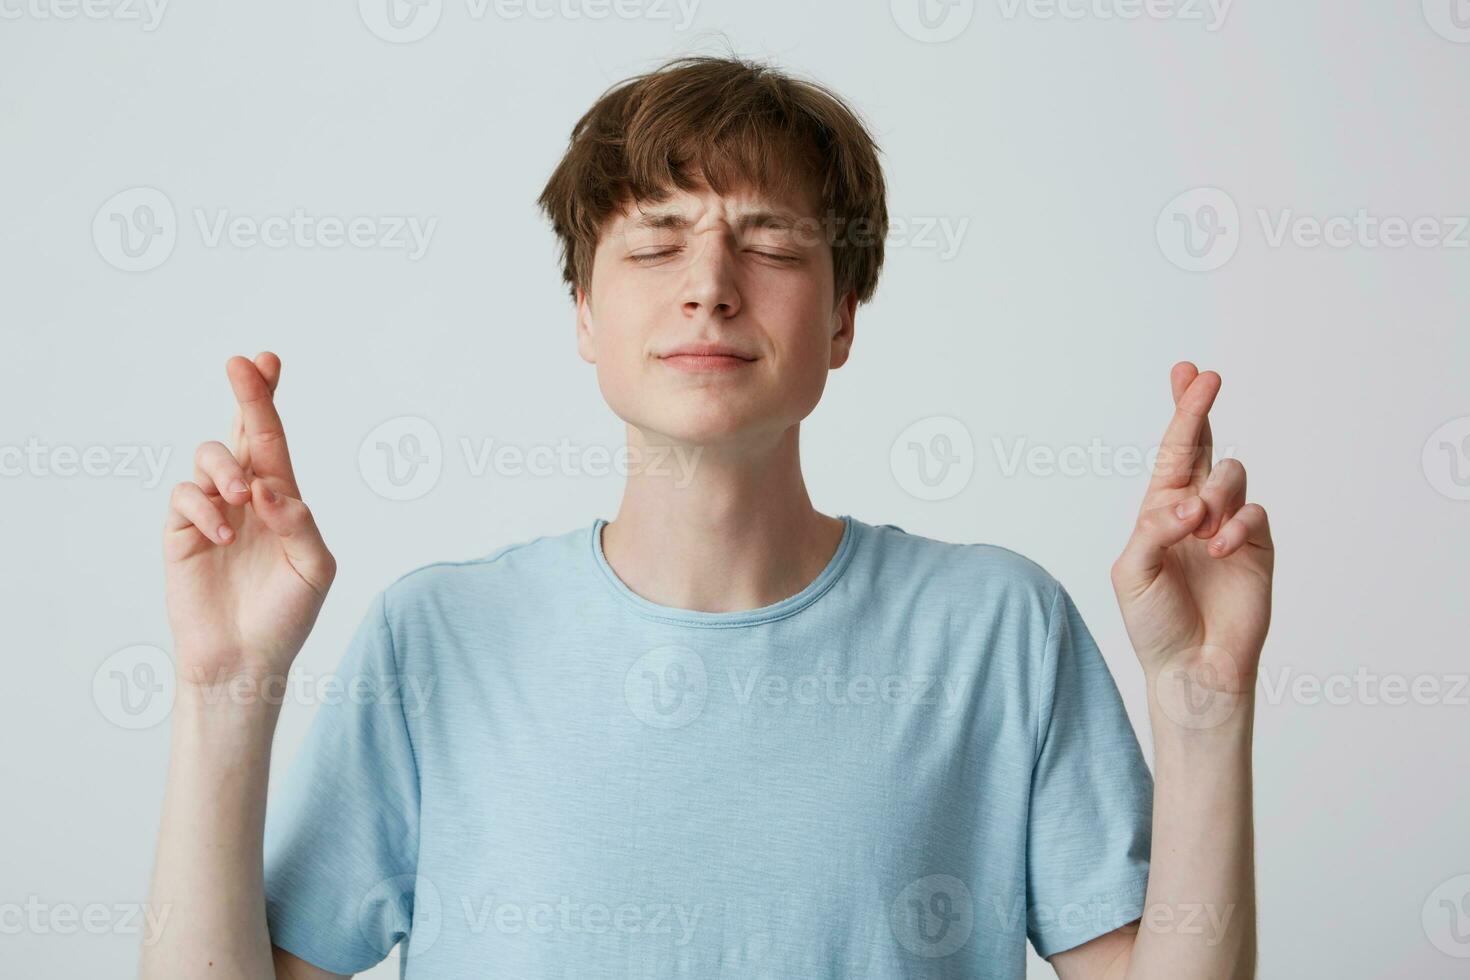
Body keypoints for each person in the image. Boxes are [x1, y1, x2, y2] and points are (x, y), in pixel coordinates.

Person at [140, 54, 1273, 980]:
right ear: (584, 311)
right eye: (655, 242)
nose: (711, 283)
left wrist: (1205, 702)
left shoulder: (996, 627)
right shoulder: (438, 636)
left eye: (773, 243)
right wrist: (223, 687)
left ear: (843, 318)